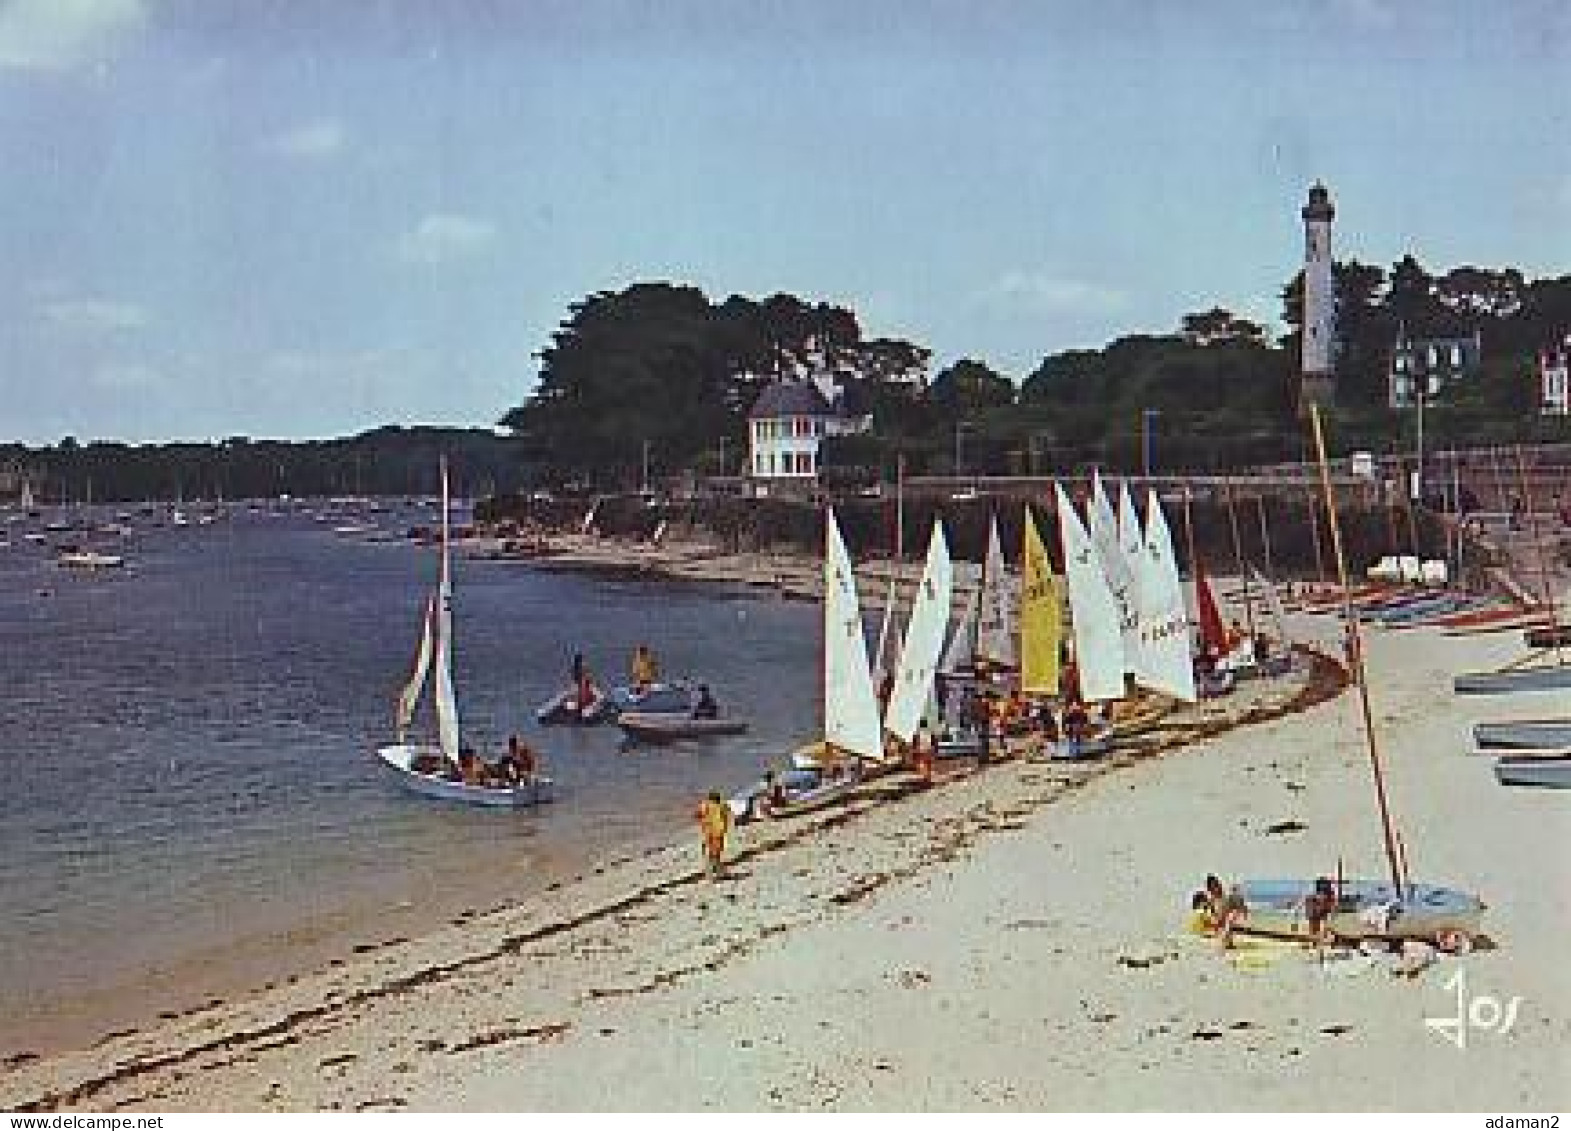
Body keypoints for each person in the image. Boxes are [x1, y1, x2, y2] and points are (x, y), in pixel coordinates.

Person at [695, 790, 731, 877]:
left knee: (711, 852)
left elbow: (697, 815)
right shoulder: (721, 805)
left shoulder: (705, 805)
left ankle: (713, 872)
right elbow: (728, 812)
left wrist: (703, 823)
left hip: (708, 832)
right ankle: (717, 872)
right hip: (718, 832)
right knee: (716, 853)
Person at [1304, 876, 1338, 947]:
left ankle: (1316, 941)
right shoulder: (1320, 897)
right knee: (1316, 923)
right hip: (1319, 911)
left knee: (1320, 923)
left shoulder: (1328, 895)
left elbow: (1332, 905)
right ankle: (1315, 941)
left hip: (1322, 910)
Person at [912, 717, 936, 785]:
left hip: (921, 750)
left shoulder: (917, 732)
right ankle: (928, 778)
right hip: (928, 749)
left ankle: (926, 778)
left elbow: (915, 741)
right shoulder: (930, 731)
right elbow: (934, 741)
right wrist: (934, 749)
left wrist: (914, 749)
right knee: (928, 764)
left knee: (923, 764)